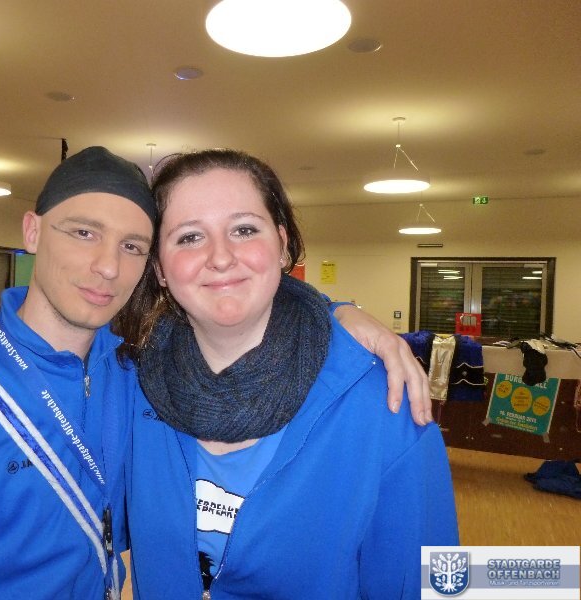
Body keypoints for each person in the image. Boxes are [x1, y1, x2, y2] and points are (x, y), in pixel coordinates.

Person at [0, 147, 430, 599]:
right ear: (32, 231)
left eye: (133, 246)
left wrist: (340, 312)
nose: (107, 266)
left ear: (281, 242)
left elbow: (448, 580)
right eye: (83, 232)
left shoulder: (139, 379)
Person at [123, 149, 459, 599]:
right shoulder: (131, 387)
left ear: (282, 245)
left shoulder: (385, 400)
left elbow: (430, 585)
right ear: (160, 269)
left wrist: (339, 311)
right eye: (189, 237)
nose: (220, 257)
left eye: (244, 229)